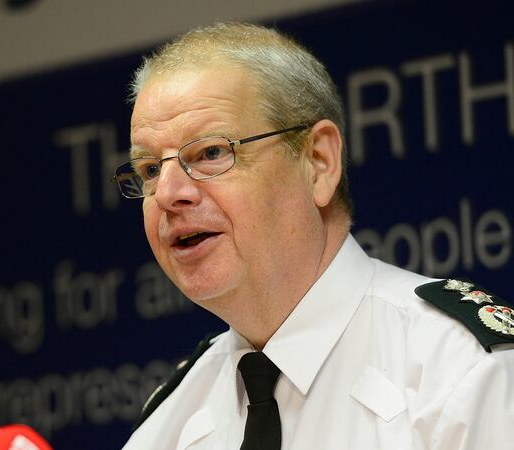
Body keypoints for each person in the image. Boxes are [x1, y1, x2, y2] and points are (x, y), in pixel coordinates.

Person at [112, 22, 513, 450]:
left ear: (318, 163)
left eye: (211, 152)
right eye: (151, 169)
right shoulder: (165, 428)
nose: (170, 194)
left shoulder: (461, 374)